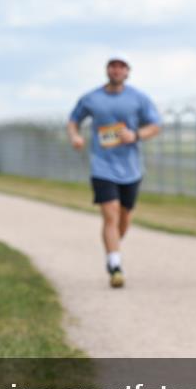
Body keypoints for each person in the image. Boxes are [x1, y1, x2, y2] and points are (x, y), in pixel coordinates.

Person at [67, 55, 161, 289]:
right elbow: (73, 120)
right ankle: (115, 264)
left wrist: (136, 135)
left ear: (128, 72)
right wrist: (75, 136)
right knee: (110, 214)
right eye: (113, 66)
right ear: (107, 70)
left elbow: (155, 125)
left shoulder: (138, 98)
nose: (116, 70)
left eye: (121, 67)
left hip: (130, 167)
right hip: (102, 165)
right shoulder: (92, 98)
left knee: (124, 217)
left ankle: (113, 249)